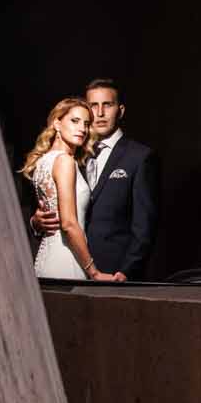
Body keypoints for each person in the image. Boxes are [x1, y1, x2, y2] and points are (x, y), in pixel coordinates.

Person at [31, 77, 159, 279]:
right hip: (73, 262)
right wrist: (36, 223)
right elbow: (59, 212)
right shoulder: (74, 155)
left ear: (121, 110)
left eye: (107, 105)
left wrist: (127, 271)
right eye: (93, 106)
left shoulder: (139, 157)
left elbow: (144, 227)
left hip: (112, 272)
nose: (99, 113)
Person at [20, 98, 122, 281]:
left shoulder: (43, 161)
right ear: (57, 123)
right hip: (67, 261)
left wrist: (36, 222)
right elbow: (68, 224)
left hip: (45, 260)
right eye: (74, 121)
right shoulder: (65, 161)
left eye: (86, 124)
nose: (82, 129)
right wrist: (94, 272)